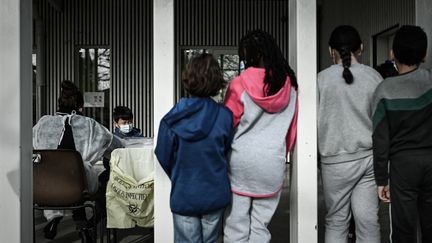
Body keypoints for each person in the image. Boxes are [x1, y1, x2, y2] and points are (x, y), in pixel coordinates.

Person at [223, 30, 298, 243]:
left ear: (249, 56)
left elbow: (228, 124)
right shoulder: (289, 85)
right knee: (260, 226)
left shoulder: (239, 83)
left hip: (240, 164)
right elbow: (292, 132)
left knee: (235, 225)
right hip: (271, 164)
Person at [155, 53, 233, 243]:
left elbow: (162, 155)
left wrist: (180, 174)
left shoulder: (171, 118)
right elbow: (227, 152)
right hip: (215, 194)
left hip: (184, 194)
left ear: (187, 78)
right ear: (217, 81)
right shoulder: (225, 116)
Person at [317, 25, 382, 243]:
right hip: (368, 160)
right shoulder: (374, 77)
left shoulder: (321, 80)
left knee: (336, 221)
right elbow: (381, 121)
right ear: (361, 48)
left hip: (335, 162)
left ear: (330, 51)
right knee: (368, 222)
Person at [372, 25, 432, 243]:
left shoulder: (384, 90)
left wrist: (381, 179)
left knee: (403, 230)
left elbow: (380, 140)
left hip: (402, 167)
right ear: (424, 55)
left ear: (392, 54)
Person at [33, 80, 113, 242]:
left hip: (44, 187)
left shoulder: (43, 124)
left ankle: (55, 217)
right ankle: (86, 227)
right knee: (96, 187)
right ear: (79, 107)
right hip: (78, 185)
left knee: (70, 183)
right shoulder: (89, 125)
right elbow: (112, 144)